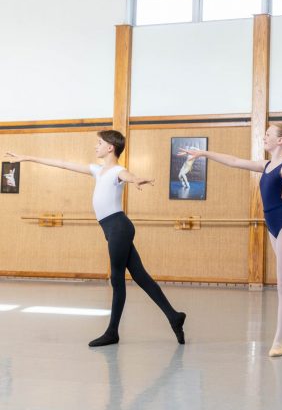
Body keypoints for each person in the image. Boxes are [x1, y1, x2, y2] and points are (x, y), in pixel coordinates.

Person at [5, 130, 187, 347]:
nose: (96, 146)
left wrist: (136, 179)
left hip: (119, 227)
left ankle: (112, 332)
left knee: (117, 279)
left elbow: (127, 176)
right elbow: (63, 164)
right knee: (140, 276)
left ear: (110, 147)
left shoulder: (118, 170)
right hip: (113, 228)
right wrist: (29, 157)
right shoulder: (98, 170)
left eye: (99, 143)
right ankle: (174, 317)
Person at [179, 123, 282, 357]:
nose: (264, 137)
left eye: (268, 134)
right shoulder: (266, 165)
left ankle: (278, 341)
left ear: (280, 141)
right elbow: (235, 161)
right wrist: (204, 153)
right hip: (273, 226)